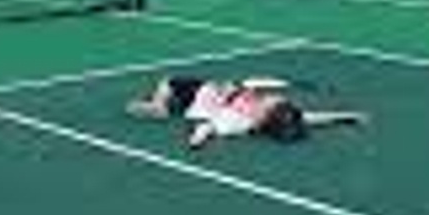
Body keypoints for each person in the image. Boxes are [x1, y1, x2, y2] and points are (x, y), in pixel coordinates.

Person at [126, 76, 368, 149]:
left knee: (165, 92)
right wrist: (347, 116)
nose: (275, 99)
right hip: (208, 87)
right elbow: (312, 118)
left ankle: (157, 105)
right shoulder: (272, 109)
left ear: (269, 115)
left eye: (275, 102)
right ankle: (160, 100)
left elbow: (208, 127)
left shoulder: (238, 123)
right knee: (169, 83)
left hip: (194, 99)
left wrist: (197, 139)